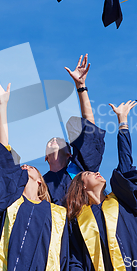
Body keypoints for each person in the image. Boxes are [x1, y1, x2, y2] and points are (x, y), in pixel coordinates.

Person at [0, 75, 68, 271]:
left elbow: (63, 257)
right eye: (22, 167)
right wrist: (2, 105)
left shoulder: (58, 214)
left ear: (41, 181)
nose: (25, 166)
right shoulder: (8, 201)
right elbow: (3, 152)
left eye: (32, 167)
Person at [66, 100, 137, 271]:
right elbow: (76, 259)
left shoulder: (121, 200)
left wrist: (123, 122)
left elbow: (126, 163)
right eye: (88, 174)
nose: (96, 172)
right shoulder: (78, 219)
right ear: (82, 186)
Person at [43, 54, 106, 205]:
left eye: (60, 141)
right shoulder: (41, 182)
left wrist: (81, 88)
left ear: (69, 154)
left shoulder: (80, 171)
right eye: (51, 141)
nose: (54, 139)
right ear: (46, 157)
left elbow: (90, 130)